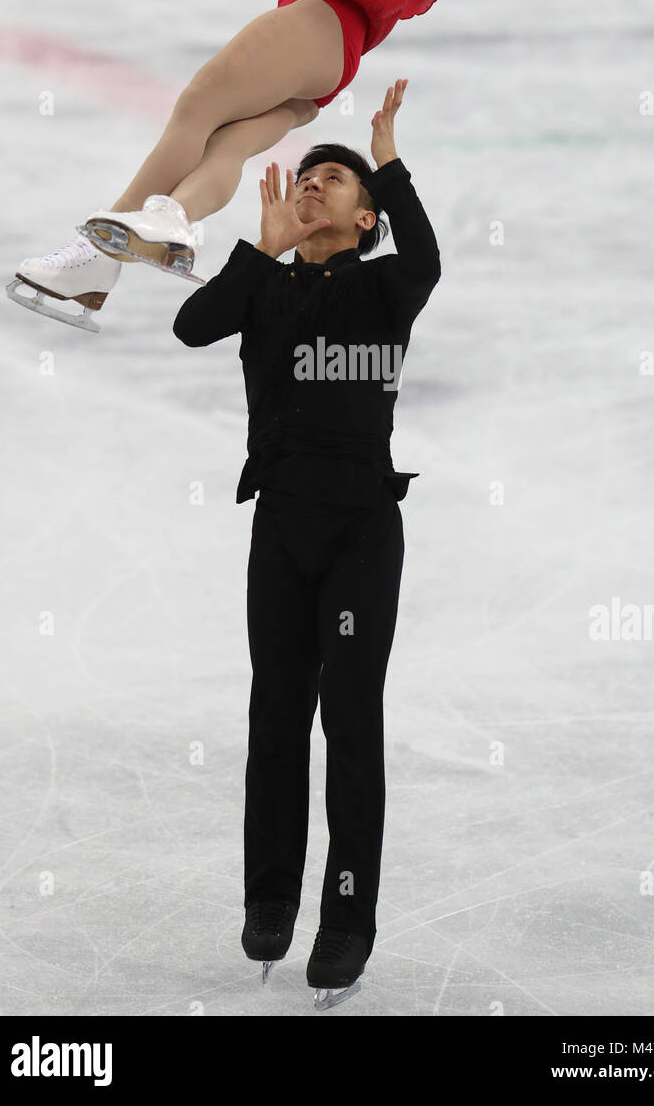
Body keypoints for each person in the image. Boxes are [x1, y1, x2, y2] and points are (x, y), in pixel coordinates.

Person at [6, 0, 521, 332]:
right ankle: (162, 227)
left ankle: (99, 254)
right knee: (225, 143)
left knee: (197, 106)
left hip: (324, 26)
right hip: (330, 53)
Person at [172, 79, 438, 1007]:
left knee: (349, 722)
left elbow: (428, 258)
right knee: (276, 716)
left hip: (362, 528)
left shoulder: (384, 289)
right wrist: (258, 247)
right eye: (308, 175)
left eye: (335, 181)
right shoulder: (269, 287)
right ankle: (271, 898)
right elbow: (191, 325)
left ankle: (347, 921)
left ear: (367, 220)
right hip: (280, 527)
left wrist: (387, 158)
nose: (315, 183)